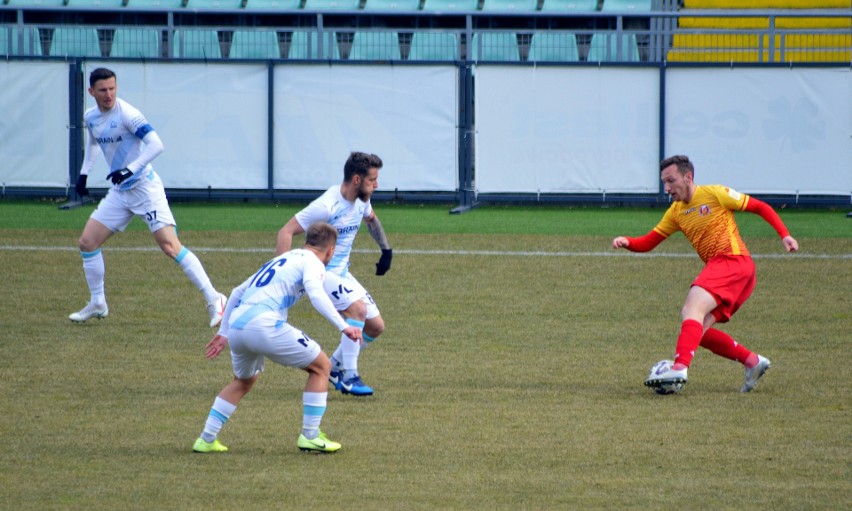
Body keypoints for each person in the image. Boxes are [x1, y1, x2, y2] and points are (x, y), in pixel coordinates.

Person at [612, 155, 798, 393]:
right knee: (697, 330)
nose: (667, 188)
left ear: (688, 177)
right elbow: (649, 242)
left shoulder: (715, 193)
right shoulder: (676, 212)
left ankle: (679, 368)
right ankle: (752, 361)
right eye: (664, 183)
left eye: (671, 181)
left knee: (691, 309)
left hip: (732, 261)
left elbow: (759, 207)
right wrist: (627, 241)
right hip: (736, 272)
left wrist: (785, 234)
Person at [69, 67, 226, 328]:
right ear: (91, 92)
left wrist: (129, 169)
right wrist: (84, 174)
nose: (109, 94)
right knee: (87, 242)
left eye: (112, 88)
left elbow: (156, 144)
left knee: (169, 246)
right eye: (103, 90)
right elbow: (95, 143)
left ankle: (215, 299)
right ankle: (98, 302)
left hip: (144, 187)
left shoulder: (128, 114)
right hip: (121, 192)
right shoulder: (91, 117)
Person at [192, 222, 362, 454]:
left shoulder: (287, 257)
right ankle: (310, 435)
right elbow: (316, 294)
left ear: (306, 243)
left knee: (243, 381)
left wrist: (224, 333)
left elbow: (236, 292)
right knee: (322, 367)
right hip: (263, 324)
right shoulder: (314, 262)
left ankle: (206, 439)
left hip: (237, 327)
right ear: (331, 250)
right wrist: (344, 326)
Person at [276, 151, 392, 397]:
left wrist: (386, 250)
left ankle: (335, 367)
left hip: (342, 274)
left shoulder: (362, 199)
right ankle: (350, 376)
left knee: (375, 326)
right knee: (358, 310)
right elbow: (286, 231)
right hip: (319, 272)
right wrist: (282, 271)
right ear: (357, 180)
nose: (377, 185)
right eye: (373, 180)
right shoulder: (326, 206)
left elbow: (371, 219)